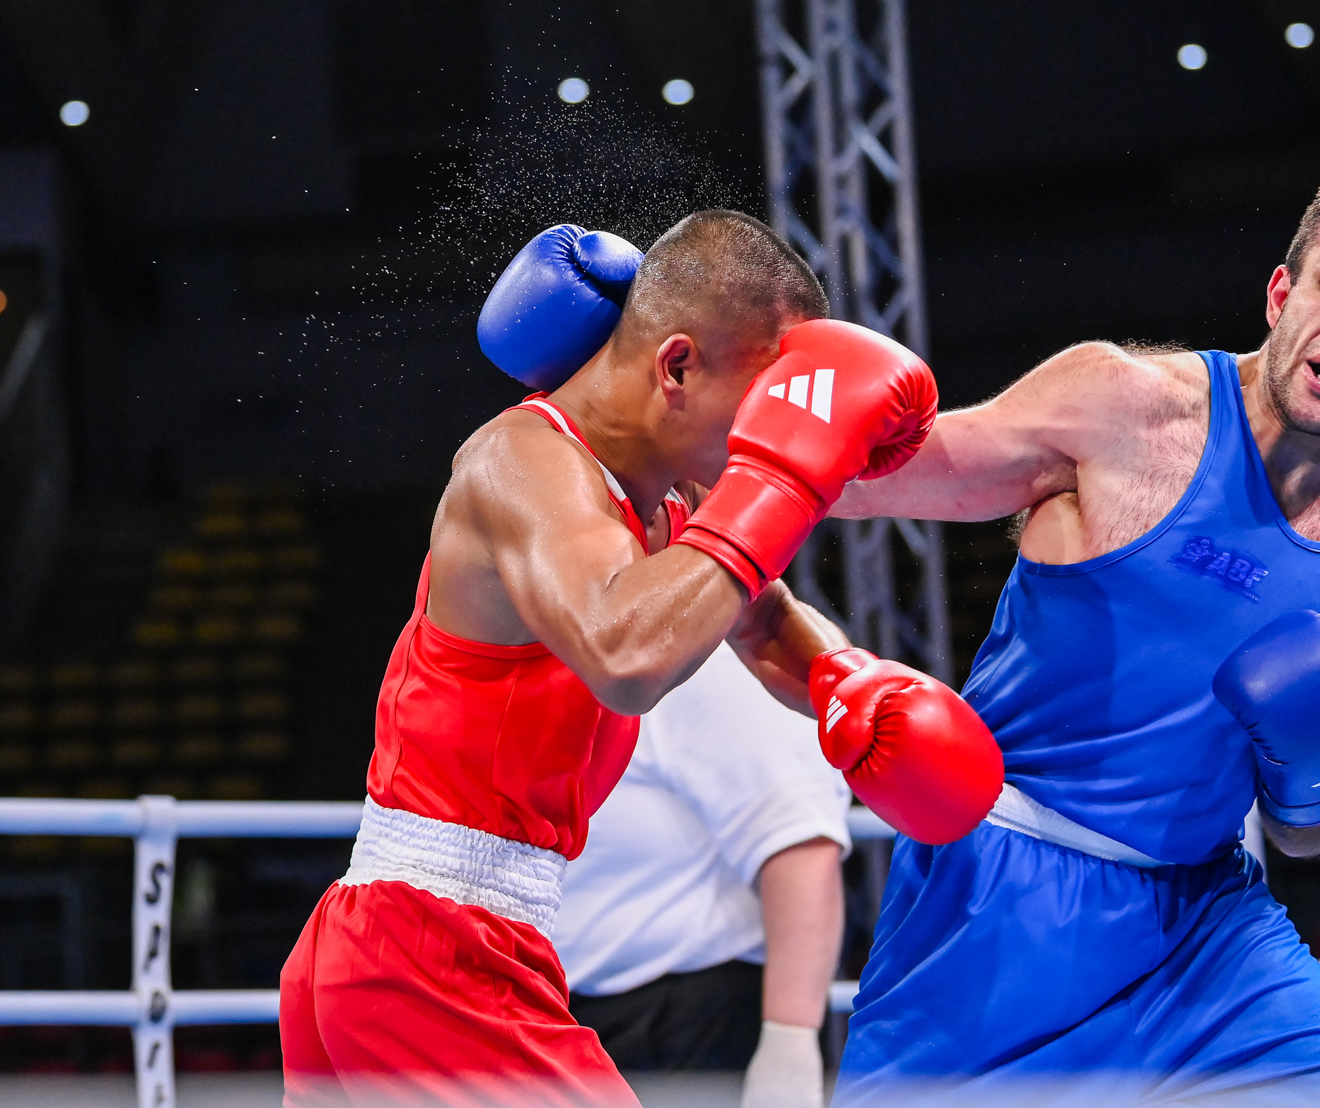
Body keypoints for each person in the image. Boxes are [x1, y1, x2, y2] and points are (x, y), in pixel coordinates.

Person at [826, 168, 1320, 1106]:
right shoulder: (1124, 407)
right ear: (1281, 293)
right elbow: (864, 482)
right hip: (996, 897)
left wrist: (1316, 775)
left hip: (1208, 930)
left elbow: (1315, 826)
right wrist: (690, 448)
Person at [277, 210, 1003, 1107]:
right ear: (677, 367)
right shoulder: (522, 461)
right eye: (763, 405)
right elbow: (623, 653)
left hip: (440, 944)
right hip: (429, 947)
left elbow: (762, 617)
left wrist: (844, 681)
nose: (764, 436)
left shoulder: (668, 498)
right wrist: (780, 482)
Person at [555, 643, 850, 1108]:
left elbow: (801, 848)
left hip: (690, 1026)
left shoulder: (717, 667)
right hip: (568, 1020)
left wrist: (790, 1040)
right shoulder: (553, 663)